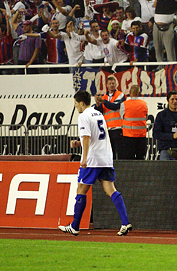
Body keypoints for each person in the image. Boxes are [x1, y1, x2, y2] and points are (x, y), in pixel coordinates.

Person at [59, 90, 131, 236]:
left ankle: (75, 226)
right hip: (105, 157)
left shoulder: (83, 116)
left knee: (81, 189)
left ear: (81, 103)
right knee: (111, 189)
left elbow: (87, 137)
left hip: (92, 160)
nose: (76, 107)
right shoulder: (98, 114)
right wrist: (79, 143)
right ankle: (125, 222)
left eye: (76, 104)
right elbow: (95, 137)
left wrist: (84, 157)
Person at [153, 90, 177, 160]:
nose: (175, 101)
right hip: (166, 151)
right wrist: (173, 136)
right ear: (168, 100)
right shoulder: (161, 115)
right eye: (172, 99)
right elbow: (156, 134)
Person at [94, 76, 126, 160]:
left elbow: (115, 106)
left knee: (120, 152)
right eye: (110, 84)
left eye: (113, 83)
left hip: (118, 128)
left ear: (116, 84)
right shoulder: (103, 97)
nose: (112, 85)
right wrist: (97, 104)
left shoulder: (120, 95)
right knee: (109, 153)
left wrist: (103, 101)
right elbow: (100, 112)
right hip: (107, 129)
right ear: (106, 85)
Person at [119, 85, 148, 160]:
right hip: (141, 137)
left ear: (129, 93)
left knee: (128, 160)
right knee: (140, 159)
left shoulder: (124, 104)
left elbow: (122, 117)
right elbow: (146, 117)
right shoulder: (144, 104)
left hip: (128, 137)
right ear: (139, 93)